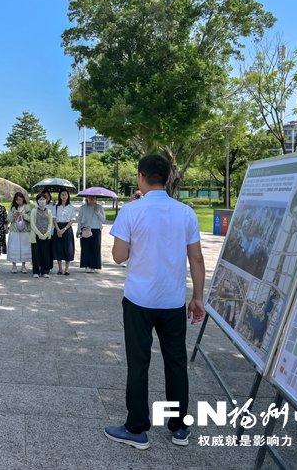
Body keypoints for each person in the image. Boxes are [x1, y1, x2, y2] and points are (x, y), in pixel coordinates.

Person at [104, 155, 206, 450]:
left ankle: (136, 427)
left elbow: (119, 256)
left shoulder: (132, 211)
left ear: (141, 176)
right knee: (176, 362)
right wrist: (197, 297)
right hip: (173, 300)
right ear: (168, 176)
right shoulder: (186, 213)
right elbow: (197, 258)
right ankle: (178, 427)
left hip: (139, 299)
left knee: (139, 362)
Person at [77, 195, 105, 272]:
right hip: (85, 229)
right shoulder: (83, 207)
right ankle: (86, 265)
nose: (92, 199)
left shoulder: (100, 207)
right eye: (90, 197)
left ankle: (94, 266)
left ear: (96, 198)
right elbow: (79, 219)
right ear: (87, 198)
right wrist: (78, 230)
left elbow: (103, 220)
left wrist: (98, 212)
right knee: (85, 248)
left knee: (95, 248)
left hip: (96, 230)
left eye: (94, 197)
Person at [52, 189, 77, 275]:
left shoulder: (71, 207)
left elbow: (72, 220)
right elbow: (54, 219)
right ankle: (60, 269)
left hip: (67, 229)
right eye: (62, 194)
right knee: (58, 248)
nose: (63, 196)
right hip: (58, 228)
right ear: (59, 196)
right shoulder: (56, 207)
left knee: (68, 248)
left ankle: (66, 269)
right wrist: (58, 229)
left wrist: (64, 229)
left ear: (68, 196)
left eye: (65, 194)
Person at [30, 193, 54, 278]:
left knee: (45, 254)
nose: (42, 201)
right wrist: (39, 234)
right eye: (40, 199)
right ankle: (36, 271)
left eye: (43, 199)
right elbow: (32, 223)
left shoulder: (49, 211)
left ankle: (45, 271)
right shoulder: (34, 211)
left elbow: (50, 223)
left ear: (46, 200)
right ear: (37, 201)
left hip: (46, 236)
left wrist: (46, 233)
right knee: (36, 254)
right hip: (36, 236)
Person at [6, 192, 32, 274]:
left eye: (20, 199)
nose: (18, 201)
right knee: (14, 247)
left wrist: (23, 215)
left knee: (25, 247)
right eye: (17, 200)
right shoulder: (13, 207)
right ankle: (14, 265)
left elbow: (31, 219)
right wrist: (14, 215)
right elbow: (8, 219)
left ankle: (23, 266)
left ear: (23, 199)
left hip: (25, 231)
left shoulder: (27, 207)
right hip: (14, 230)